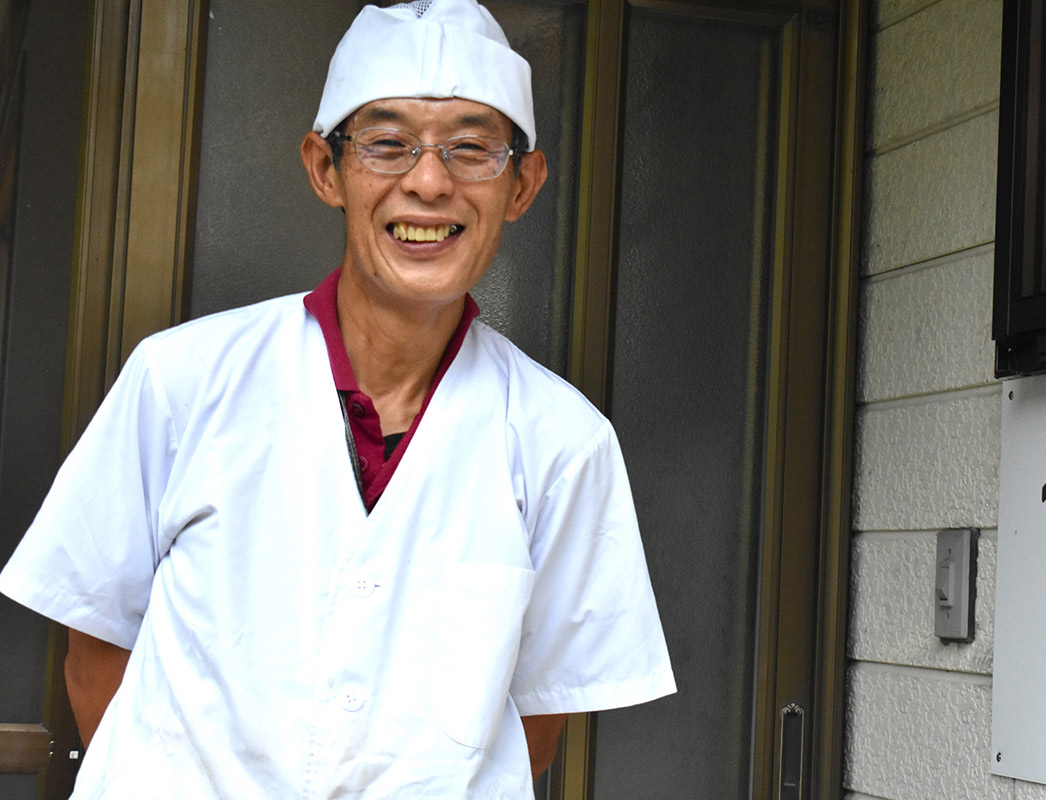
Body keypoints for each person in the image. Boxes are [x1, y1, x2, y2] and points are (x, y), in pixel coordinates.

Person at [0, 1, 675, 796]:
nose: (429, 183)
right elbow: (97, 648)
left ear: (522, 185)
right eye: (388, 146)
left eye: (471, 148)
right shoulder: (181, 379)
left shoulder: (564, 441)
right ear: (327, 169)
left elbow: (539, 717)